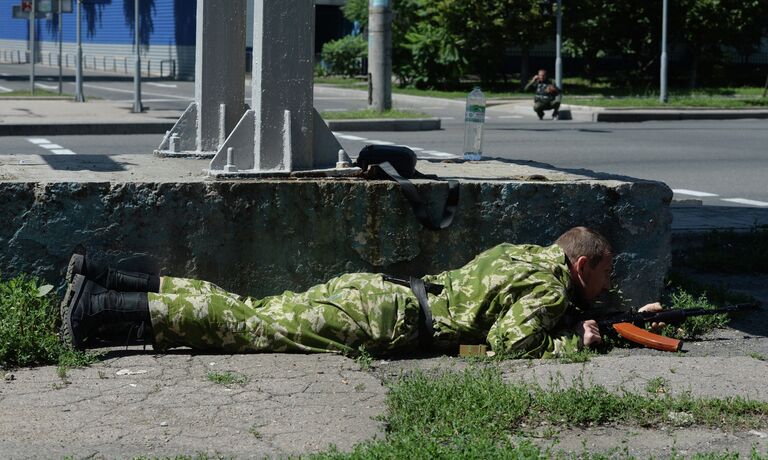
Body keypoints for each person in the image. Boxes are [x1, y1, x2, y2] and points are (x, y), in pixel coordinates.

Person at [60, 227, 662, 359]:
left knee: (253, 309)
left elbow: (503, 306)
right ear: (581, 265)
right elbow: (507, 345)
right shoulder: (553, 288)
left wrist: (605, 313)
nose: (607, 284)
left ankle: (107, 280)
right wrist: (576, 343)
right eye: (605, 275)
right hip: (383, 320)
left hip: (381, 294)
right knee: (248, 325)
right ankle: (100, 305)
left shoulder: (527, 257)